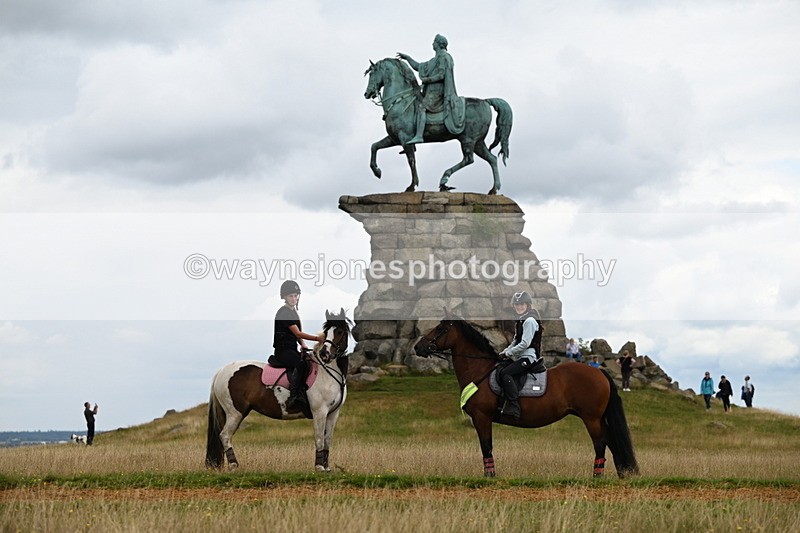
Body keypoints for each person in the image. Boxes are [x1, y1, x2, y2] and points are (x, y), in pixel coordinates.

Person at [397, 33, 466, 144]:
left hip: (438, 92)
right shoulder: (435, 59)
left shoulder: (444, 57)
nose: (432, 44)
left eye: (434, 42)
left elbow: (441, 75)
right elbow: (418, 66)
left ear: (438, 44)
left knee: (421, 107)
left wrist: (427, 80)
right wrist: (408, 58)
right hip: (430, 91)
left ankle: (419, 136)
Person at [268, 280, 324, 409]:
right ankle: (295, 395)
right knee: (301, 363)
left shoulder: (293, 312)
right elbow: (298, 333)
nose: (293, 298)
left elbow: (297, 336)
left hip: (291, 349)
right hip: (283, 351)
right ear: (284, 297)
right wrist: (317, 338)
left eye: (295, 295)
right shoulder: (284, 313)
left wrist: (303, 344)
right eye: (290, 296)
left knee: (309, 361)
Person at [497, 291, 543, 419]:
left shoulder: (529, 321)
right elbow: (515, 341)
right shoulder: (521, 321)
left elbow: (525, 344)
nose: (519, 307)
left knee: (506, 373)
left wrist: (508, 353)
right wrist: (504, 353)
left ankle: (514, 406)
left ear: (527, 305)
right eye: (517, 304)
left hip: (528, 358)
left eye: (522, 304)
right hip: (520, 357)